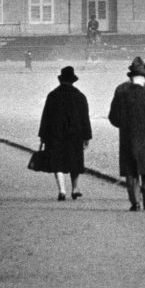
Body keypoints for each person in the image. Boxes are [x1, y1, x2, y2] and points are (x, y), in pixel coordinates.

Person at [108, 57, 145, 211]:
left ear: (130, 75)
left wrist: (124, 126)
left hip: (128, 137)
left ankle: (135, 202)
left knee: (131, 171)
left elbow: (113, 117)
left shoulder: (121, 91)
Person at [38, 66, 92, 201]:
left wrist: (43, 136)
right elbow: (85, 118)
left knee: (57, 162)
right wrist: (87, 137)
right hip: (75, 134)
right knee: (75, 161)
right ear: (73, 81)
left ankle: (62, 190)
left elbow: (46, 117)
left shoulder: (52, 95)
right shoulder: (80, 96)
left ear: (61, 80)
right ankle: (74, 189)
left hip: (55, 134)